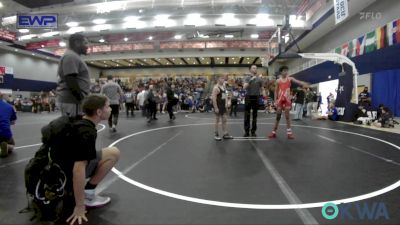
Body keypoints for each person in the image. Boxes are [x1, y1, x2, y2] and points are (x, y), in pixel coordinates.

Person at [66, 94, 120, 225]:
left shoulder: (79, 121)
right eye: (108, 106)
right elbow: (78, 169)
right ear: (99, 112)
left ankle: (85, 192)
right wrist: (79, 207)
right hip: (67, 170)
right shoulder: (87, 132)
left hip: (61, 164)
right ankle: (87, 196)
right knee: (114, 153)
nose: (111, 109)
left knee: (112, 152)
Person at [268, 66, 309, 139]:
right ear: (281, 72)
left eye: (287, 70)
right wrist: (275, 101)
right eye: (284, 71)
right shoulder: (278, 81)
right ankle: (273, 132)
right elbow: (276, 91)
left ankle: (289, 133)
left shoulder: (290, 79)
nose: (286, 72)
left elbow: (298, 82)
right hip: (280, 99)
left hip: (287, 99)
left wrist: (303, 83)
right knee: (278, 116)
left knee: (287, 116)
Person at [56, 33, 90, 117]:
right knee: (73, 128)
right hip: (72, 101)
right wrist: (82, 100)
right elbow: (71, 80)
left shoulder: (74, 56)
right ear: (77, 43)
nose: (87, 46)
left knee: (75, 127)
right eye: (85, 43)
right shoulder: (71, 56)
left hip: (73, 101)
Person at [243, 64, 265, 137]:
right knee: (247, 115)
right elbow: (244, 87)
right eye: (253, 68)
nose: (255, 69)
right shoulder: (247, 77)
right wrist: (250, 80)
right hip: (248, 97)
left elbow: (262, 88)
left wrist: (264, 97)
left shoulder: (259, 79)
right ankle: (246, 131)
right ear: (250, 70)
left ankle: (253, 131)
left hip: (256, 97)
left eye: (256, 68)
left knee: (255, 115)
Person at [212, 76, 233, 141]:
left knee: (224, 119)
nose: (223, 80)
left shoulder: (223, 87)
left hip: (223, 106)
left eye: (223, 79)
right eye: (221, 78)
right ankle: (216, 134)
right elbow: (213, 99)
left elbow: (225, 96)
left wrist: (226, 104)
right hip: (218, 106)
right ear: (218, 79)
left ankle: (225, 134)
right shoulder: (216, 88)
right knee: (217, 120)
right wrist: (215, 108)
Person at [0, 93, 16, 157]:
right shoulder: (9, 106)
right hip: (5, 133)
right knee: (12, 146)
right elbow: (13, 121)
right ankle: (6, 146)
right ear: (2, 97)